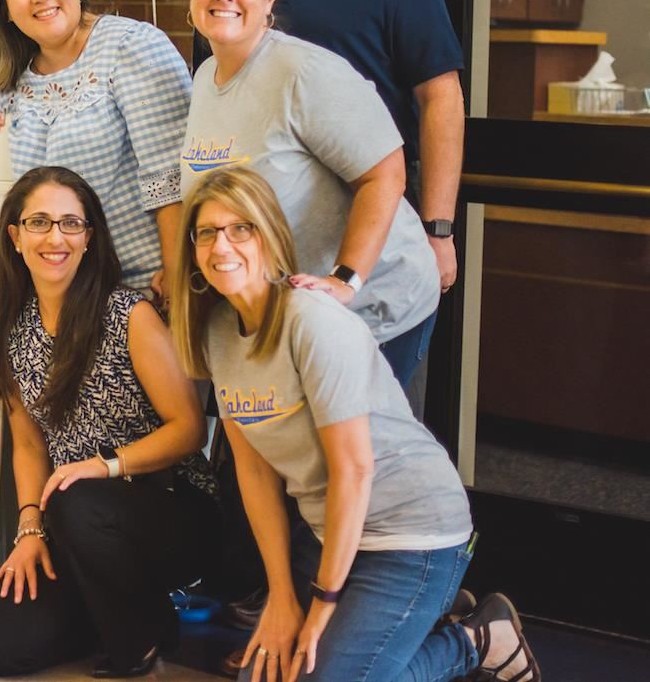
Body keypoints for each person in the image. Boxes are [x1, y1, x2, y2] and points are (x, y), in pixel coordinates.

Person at [169, 166, 539, 682]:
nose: (222, 245)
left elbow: (354, 471)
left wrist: (322, 605)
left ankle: (476, 639)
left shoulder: (312, 321)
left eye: (241, 228)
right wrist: (279, 596)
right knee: (270, 674)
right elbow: (255, 475)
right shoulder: (217, 332)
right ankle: (418, 613)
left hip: (411, 532)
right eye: (207, 232)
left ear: (270, 237)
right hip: (332, 534)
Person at [194, 0, 463, 312]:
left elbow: (441, 98)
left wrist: (439, 229)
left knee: (362, 393)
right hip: (257, 261)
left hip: (371, 255)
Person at [0, 166, 219, 678]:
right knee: (0, 646)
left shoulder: (128, 314)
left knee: (77, 497)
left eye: (70, 224)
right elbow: (29, 448)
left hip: (171, 507)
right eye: (38, 222)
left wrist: (105, 467)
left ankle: (136, 646)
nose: (55, 237)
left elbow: (189, 429)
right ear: (15, 237)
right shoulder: (11, 333)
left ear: (88, 238)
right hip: (75, 524)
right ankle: (130, 617)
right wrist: (31, 529)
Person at [181, 0, 438, 387]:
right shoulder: (204, 80)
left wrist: (346, 280)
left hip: (372, 307)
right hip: (291, 314)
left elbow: (385, 175)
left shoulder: (304, 73)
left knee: (357, 459)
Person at [0, 0, 191, 296]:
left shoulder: (130, 46)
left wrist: (177, 277)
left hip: (141, 288)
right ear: (5, 9)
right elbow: (4, 188)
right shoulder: (8, 82)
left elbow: (170, 180)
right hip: (60, 294)